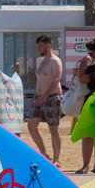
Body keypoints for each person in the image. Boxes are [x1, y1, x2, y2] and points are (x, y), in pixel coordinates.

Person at [26, 34, 65, 164]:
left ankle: (57, 158)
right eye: (38, 47)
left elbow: (56, 80)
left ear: (48, 46)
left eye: (41, 46)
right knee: (31, 125)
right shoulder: (42, 61)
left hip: (52, 97)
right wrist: (37, 95)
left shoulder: (55, 61)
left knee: (53, 128)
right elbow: (41, 81)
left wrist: (45, 95)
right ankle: (43, 152)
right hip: (40, 98)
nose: (39, 49)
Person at [72, 39, 95, 173]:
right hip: (90, 97)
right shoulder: (88, 59)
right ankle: (85, 165)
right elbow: (80, 77)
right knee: (88, 133)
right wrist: (94, 76)